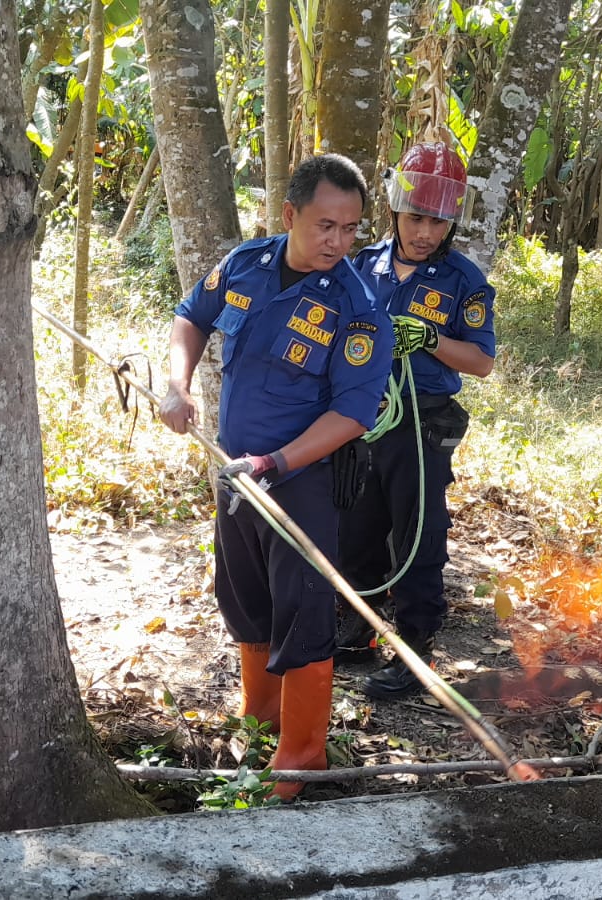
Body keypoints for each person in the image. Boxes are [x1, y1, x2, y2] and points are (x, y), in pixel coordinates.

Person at [158, 154, 392, 799]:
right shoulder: (244, 266)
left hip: (302, 480)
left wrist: (277, 464)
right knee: (245, 599)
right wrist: (177, 387)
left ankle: (299, 758)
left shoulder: (359, 305)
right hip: (235, 473)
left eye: (350, 230)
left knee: (302, 611)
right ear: (289, 215)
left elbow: (353, 411)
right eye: (325, 225)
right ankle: (259, 725)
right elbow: (191, 317)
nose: (338, 243)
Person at [337, 141, 497, 699]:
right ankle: (357, 628)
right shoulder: (361, 267)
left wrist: (431, 339)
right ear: (395, 213)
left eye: (436, 221)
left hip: (423, 423)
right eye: (415, 218)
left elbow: (482, 362)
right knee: (356, 527)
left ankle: (416, 648)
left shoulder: (462, 282)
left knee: (416, 534)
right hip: (361, 419)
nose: (425, 231)